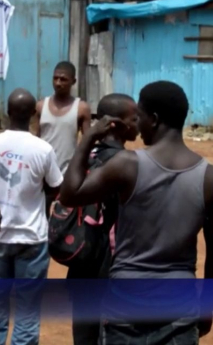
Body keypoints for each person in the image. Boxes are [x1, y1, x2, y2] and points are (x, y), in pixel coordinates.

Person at [59, 81, 213, 345]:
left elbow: (70, 194)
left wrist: (89, 137)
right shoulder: (211, 179)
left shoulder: (127, 166)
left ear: (155, 119)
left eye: (139, 117)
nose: (136, 126)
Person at [0, 88, 64, 345]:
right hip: (32, 237)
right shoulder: (43, 149)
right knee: (27, 311)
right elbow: (56, 186)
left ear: (7, 113)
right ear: (34, 114)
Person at [65, 93, 139, 345]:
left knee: (83, 335)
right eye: (134, 118)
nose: (138, 123)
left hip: (80, 259)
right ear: (117, 125)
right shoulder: (124, 164)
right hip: (109, 267)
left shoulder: (84, 157)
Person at [34, 61, 92, 216]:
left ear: (73, 81)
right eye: (55, 78)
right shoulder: (40, 106)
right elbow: (32, 138)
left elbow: (88, 141)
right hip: (42, 173)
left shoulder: (81, 108)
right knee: (41, 214)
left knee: (62, 217)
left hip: (66, 175)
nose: (58, 83)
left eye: (63, 79)